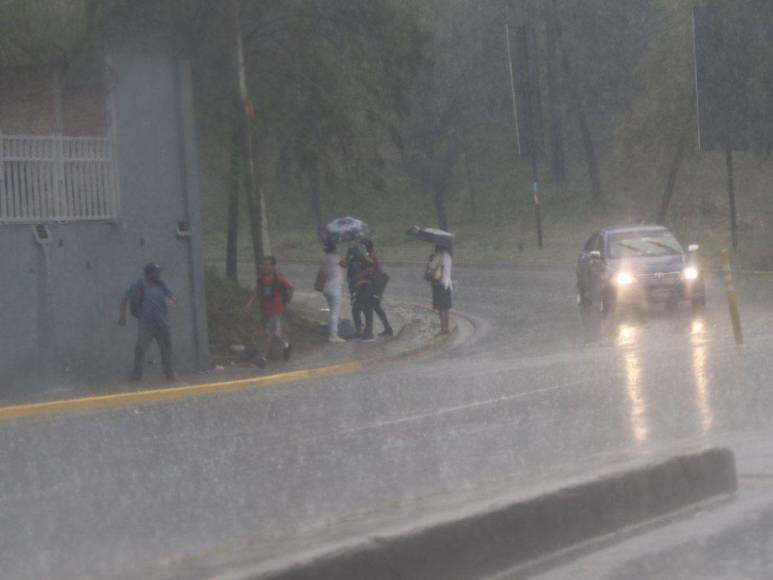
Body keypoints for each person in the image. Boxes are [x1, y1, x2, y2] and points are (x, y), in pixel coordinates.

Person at [118, 263, 177, 382]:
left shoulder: (161, 285)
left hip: (162, 324)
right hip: (146, 326)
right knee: (140, 350)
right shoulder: (138, 286)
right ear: (149, 274)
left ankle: (169, 374)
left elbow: (173, 298)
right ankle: (136, 375)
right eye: (156, 272)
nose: (159, 274)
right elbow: (124, 299)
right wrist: (123, 316)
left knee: (166, 351)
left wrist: (171, 300)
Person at [243, 256, 294, 367]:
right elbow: (258, 291)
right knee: (271, 333)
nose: (265, 267)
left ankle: (263, 358)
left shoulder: (279, 278)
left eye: (267, 265)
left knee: (269, 333)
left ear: (273, 266)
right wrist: (250, 303)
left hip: (276, 309)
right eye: (264, 264)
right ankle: (286, 344)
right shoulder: (261, 278)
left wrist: (287, 301)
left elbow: (291, 288)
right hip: (266, 308)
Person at [362, 239, 393, 337]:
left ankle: (369, 332)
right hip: (377, 286)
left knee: (369, 307)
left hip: (374, 286)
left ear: (365, 248)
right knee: (376, 307)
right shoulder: (370, 256)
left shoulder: (370, 257)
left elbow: (370, 271)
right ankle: (387, 328)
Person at [317, 240, 346, 343]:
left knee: (332, 311)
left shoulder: (323, 258)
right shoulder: (336, 257)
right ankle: (333, 336)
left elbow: (321, 272)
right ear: (334, 248)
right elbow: (345, 264)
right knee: (334, 313)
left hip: (326, 288)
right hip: (335, 288)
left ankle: (333, 331)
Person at [425, 244, 453, 335]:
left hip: (439, 285)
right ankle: (446, 328)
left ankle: (443, 329)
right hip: (447, 284)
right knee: (446, 308)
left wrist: (430, 259)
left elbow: (431, 266)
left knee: (441, 308)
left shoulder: (440, 255)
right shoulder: (448, 255)